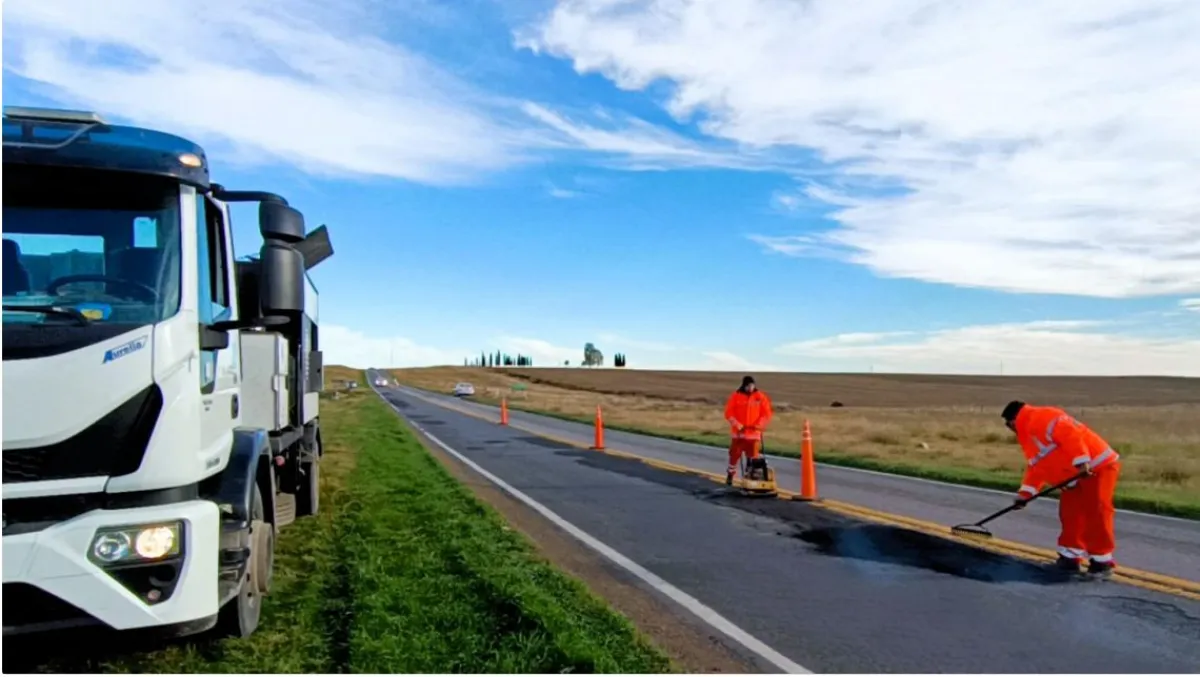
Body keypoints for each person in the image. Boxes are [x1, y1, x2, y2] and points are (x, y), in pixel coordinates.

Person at [1000, 400, 1122, 577]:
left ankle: (1101, 562)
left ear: (1013, 421)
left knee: (1096, 511)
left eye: (1009, 425)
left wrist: (1082, 462)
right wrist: (1025, 494)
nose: (1011, 430)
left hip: (1097, 466)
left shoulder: (1042, 417)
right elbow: (1037, 466)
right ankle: (1069, 558)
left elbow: (1071, 435)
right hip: (1073, 477)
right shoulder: (1028, 435)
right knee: (1070, 514)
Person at [723, 375, 774, 486]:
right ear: (744, 386)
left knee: (753, 456)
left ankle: (750, 475)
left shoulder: (760, 397)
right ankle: (730, 475)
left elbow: (766, 414)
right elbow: (728, 413)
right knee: (734, 455)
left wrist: (759, 425)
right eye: (748, 386)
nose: (751, 388)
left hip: (753, 433)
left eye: (752, 385)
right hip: (739, 433)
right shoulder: (736, 396)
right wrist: (737, 424)